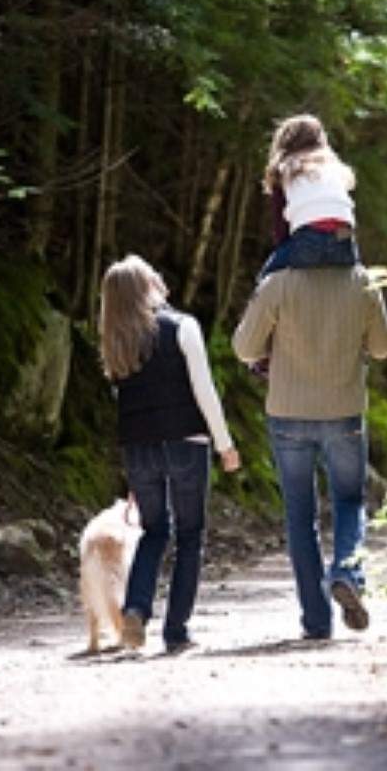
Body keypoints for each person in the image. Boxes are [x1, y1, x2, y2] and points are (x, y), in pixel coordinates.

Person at [232, 169, 387, 640]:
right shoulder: (362, 280)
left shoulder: (278, 283)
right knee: (349, 500)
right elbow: (384, 348)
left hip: (287, 413)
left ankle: (316, 620)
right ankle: (347, 573)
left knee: (299, 517)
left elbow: (244, 349)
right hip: (344, 410)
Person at [99, 254, 241, 655]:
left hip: (139, 449)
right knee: (190, 535)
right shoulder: (182, 326)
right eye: (151, 275)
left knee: (154, 532)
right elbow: (204, 390)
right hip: (186, 443)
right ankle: (176, 632)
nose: (160, 277)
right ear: (144, 288)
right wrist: (226, 445)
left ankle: (137, 609)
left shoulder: (116, 342)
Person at [250, 113, 363, 379]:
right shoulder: (335, 169)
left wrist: (285, 255)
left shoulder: (286, 169)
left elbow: (281, 227)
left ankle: (263, 357)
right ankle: (360, 345)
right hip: (345, 239)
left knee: (264, 282)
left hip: (307, 238)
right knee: (360, 287)